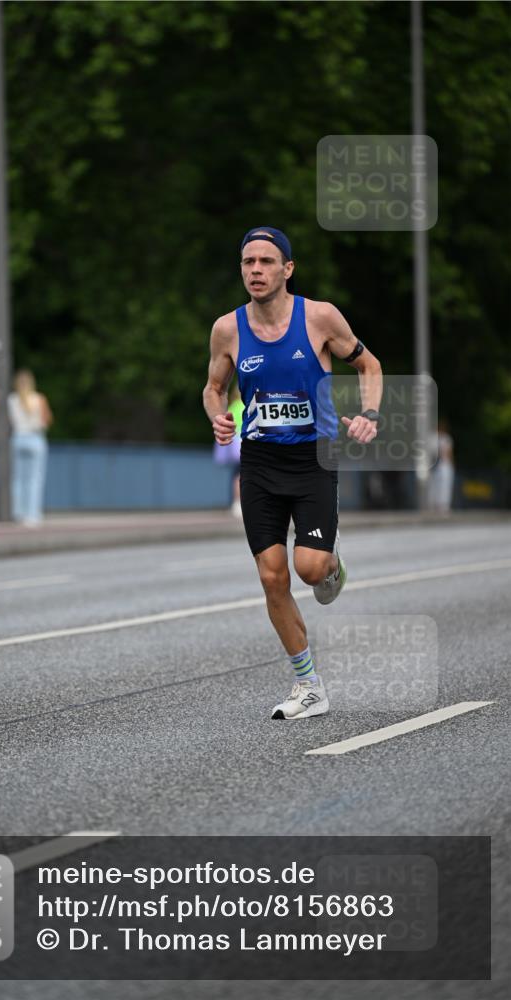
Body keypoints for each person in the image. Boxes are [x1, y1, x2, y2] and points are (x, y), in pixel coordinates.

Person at [203, 227, 383, 719]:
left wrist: (369, 415)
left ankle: (331, 562)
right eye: (248, 262)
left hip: (313, 459)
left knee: (310, 569)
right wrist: (217, 415)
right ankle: (309, 685)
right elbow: (213, 387)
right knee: (271, 575)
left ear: (287, 269)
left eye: (266, 261)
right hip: (259, 462)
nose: (255, 270)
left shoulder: (319, 317)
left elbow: (369, 366)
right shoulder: (227, 329)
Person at [8, 370, 53, 525]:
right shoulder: (39, 399)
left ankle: (18, 513)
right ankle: (32, 515)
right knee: (34, 479)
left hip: (17, 439)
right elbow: (47, 420)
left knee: (17, 479)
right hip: (35, 439)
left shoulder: (11, 400)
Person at [213, 385, 245, 517]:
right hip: (245, 443)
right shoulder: (246, 406)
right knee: (244, 474)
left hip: (233, 445)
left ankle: (237, 503)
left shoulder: (232, 407)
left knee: (237, 474)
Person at [428, 419, 455, 513]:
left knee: (443, 485)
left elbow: (449, 453)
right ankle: (437, 505)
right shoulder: (434, 438)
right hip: (437, 465)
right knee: (435, 485)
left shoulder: (446, 438)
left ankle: (442, 505)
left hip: (443, 464)